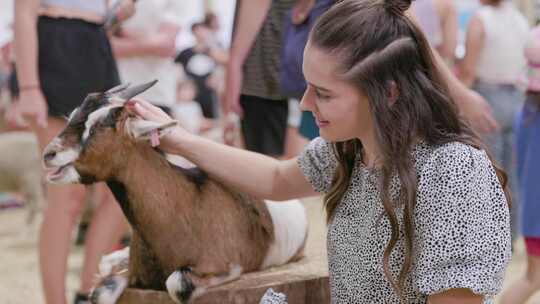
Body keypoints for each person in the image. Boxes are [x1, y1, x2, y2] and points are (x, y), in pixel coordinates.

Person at [128, 0, 511, 302]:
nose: (307, 104)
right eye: (308, 87)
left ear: (389, 93)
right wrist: (178, 139)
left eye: (324, 93)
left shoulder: (453, 171)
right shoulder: (349, 150)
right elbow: (276, 179)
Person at [11, 1, 134, 303]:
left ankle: (88, 294)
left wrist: (119, 12)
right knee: (65, 197)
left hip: (97, 45)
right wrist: (28, 88)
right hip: (55, 44)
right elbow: (23, 12)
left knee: (117, 191)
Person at [458, 0, 529, 241]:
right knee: (512, 175)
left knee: (488, 175)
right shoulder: (520, 20)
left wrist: (456, 103)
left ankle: (488, 240)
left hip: (487, 98)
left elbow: (468, 70)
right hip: (517, 99)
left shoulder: (481, 20)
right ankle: (511, 237)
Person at [499, 25, 540, 304]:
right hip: (537, 217)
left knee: (532, 278)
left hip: (533, 215)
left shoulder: (528, 111)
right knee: (533, 279)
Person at [110, 0, 183, 115]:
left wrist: (121, 32)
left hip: (155, 97)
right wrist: (150, 40)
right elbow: (96, 46)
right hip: (110, 97)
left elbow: (166, 46)